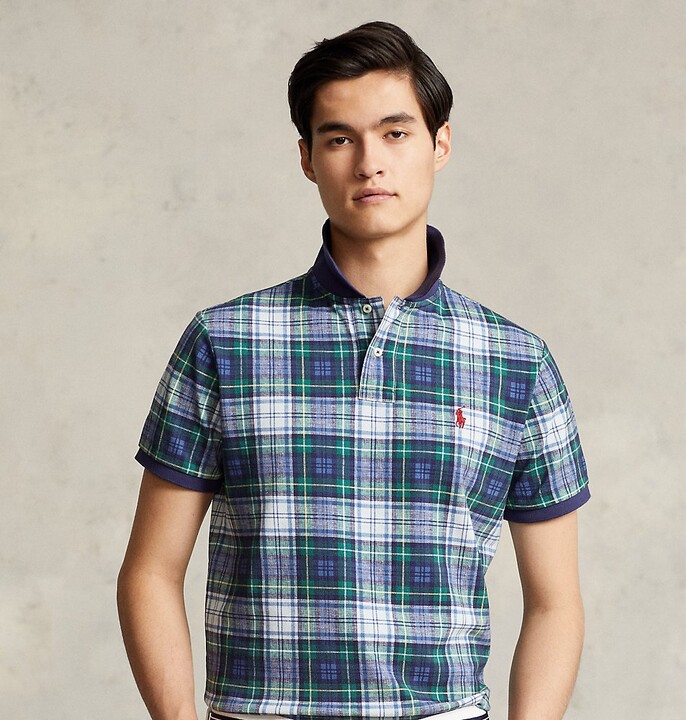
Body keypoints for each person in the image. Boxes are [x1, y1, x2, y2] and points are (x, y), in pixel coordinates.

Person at [117, 21, 590, 720]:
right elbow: (151, 571)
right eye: (339, 138)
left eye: (395, 133)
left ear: (440, 143)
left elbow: (555, 603)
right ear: (307, 159)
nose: (370, 163)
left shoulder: (516, 361)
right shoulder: (225, 341)